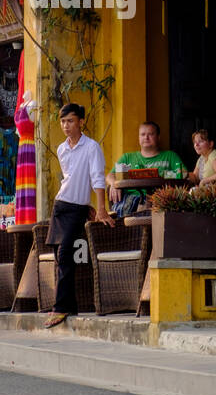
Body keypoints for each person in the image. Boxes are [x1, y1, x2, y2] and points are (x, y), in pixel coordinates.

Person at [44, 104, 113, 329]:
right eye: (63, 122)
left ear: (81, 122)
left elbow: (97, 180)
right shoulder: (62, 149)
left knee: (65, 254)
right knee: (59, 255)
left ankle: (61, 306)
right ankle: (70, 305)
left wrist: (99, 208)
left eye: (71, 121)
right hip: (60, 206)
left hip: (76, 210)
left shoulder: (92, 147)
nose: (66, 126)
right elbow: (71, 179)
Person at [105, 120, 188, 218]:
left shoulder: (170, 156)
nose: (146, 137)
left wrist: (166, 175)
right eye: (143, 134)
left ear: (158, 137)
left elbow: (186, 175)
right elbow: (110, 175)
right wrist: (114, 184)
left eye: (150, 134)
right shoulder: (127, 157)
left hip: (161, 200)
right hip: (133, 202)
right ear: (139, 137)